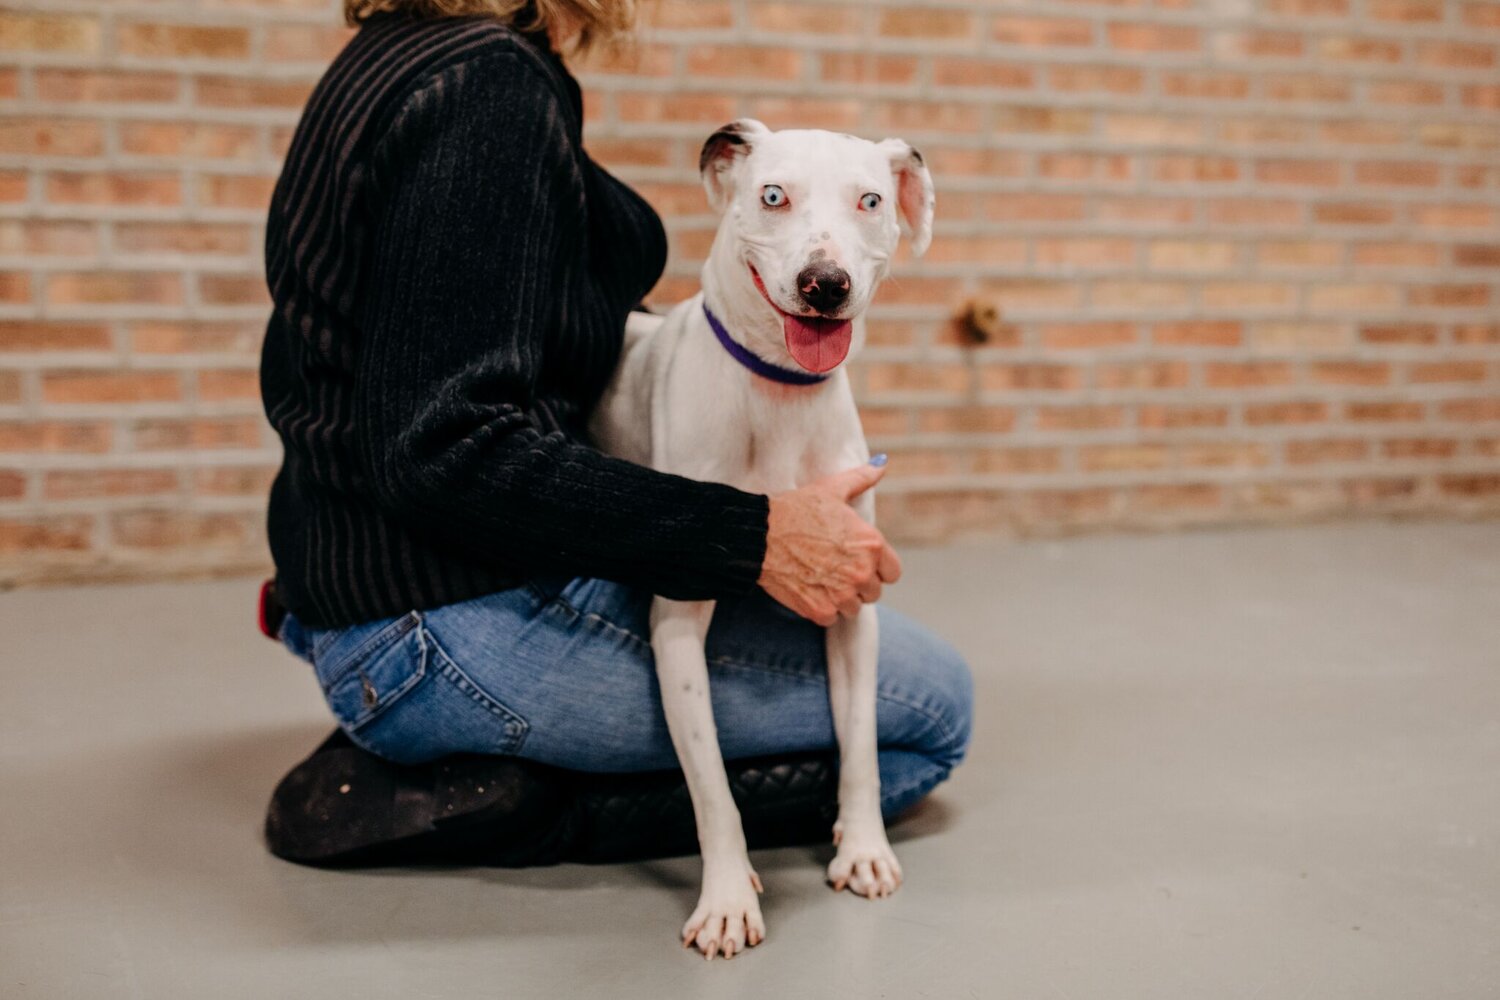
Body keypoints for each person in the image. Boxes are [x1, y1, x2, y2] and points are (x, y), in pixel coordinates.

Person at [258, 0, 973, 867]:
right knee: (933, 715)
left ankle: (478, 749)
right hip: (435, 623)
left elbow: (490, 318)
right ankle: (530, 801)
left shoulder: (411, 56)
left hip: (364, 590)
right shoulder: (484, 87)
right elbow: (442, 446)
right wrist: (748, 537)